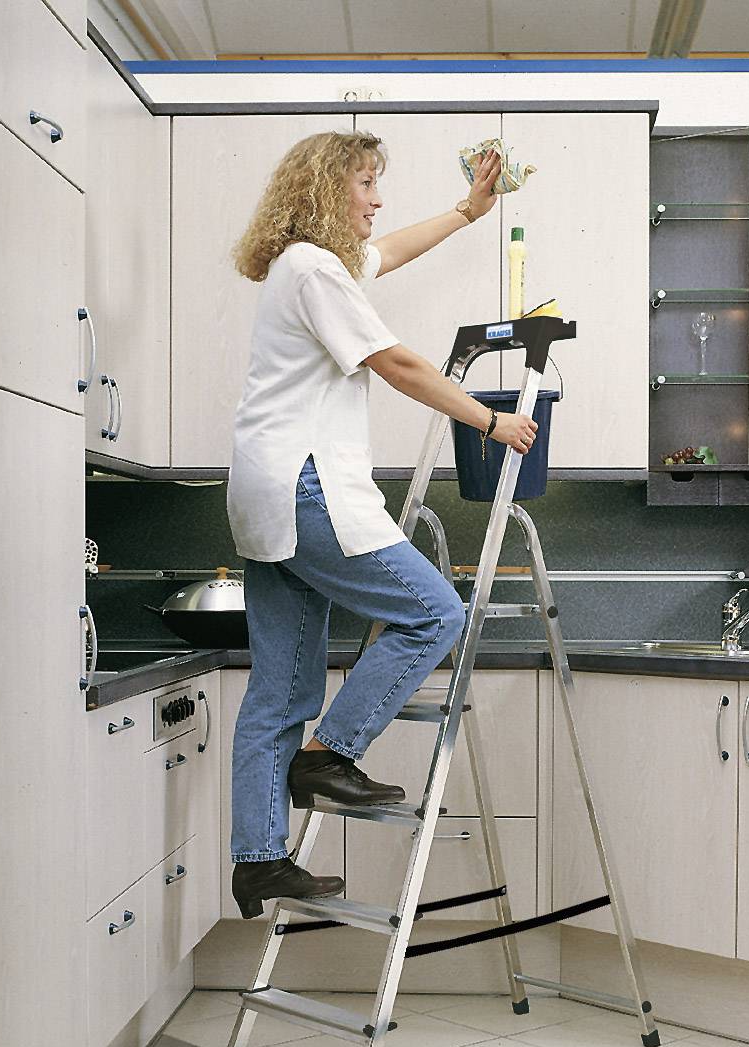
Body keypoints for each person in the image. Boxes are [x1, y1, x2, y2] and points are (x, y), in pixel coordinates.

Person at [225, 129, 537, 919]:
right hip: (308, 486)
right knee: (434, 610)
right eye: (366, 183)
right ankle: (330, 755)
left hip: (267, 497)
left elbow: (392, 249)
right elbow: (395, 364)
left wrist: (469, 211)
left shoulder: (310, 268)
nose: (377, 197)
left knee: (279, 688)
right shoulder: (314, 268)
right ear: (332, 189)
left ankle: (259, 858)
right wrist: (487, 421)